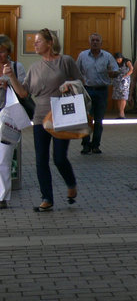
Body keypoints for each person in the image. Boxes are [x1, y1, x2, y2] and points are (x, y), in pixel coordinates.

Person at [3, 28, 81, 212]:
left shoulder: (65, 61)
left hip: (62, 114)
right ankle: (47, 198)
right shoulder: (34, 68)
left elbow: (80, 81)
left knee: (60, 158)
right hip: (40, 117)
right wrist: (11, 76)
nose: (35, 44)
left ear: (49, 43)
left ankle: (71, 184)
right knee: (41, 159)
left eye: (38, 41)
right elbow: (23, 92)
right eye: (34, 42)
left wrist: (69, 85)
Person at [76, 33, 118, 155]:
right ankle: (85, 144)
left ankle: (95, 145)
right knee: (86, 119)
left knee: (99, 120)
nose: (95, 42)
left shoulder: (107, 56)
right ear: (89, 43)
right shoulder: (83, 56)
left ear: (101, 43)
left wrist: (112, 73)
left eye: (97, 40)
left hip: (101, 90)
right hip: (87, 90)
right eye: (92, 40)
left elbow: (115, 70)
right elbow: (76, 71)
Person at [0, 34, 26, 210]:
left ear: (9, 52)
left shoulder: (17, 67)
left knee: (3, 157)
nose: (0, 54)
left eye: (2, 51)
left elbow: (24, 94)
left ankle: (2, 196)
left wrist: (10, 82)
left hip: (8, 116)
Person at [112, 52, 133, 119]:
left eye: (119, 59)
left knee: (123, 96)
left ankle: (122, 112)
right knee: (118, 96)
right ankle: (120, 112)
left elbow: (131, 69)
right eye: (117, 59)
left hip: (125, 80)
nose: (118, 60)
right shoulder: (115, 63)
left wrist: (126, 76)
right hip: (117, 80)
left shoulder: (126, 61)